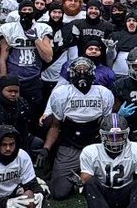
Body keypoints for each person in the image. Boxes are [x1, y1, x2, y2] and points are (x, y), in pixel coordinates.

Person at [40, 58, 114, 199]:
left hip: (95, 144)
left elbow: (105, 125)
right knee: (59, 192)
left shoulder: (103, 93)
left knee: (109, 185)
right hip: (70, 144)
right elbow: (56, 125)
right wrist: (46, 148)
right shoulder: (61, 93)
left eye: (85, 71)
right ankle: (81, 178)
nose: (82, 74)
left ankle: (85, 176)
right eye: (78, 71)